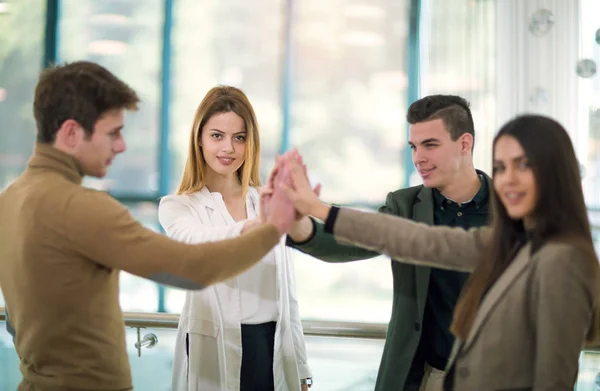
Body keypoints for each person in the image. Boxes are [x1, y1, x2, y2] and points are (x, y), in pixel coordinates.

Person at [0, 61, 296, 391]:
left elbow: (14, 321)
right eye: (113, 132)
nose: (122, 145)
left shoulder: (8, 200)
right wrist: (272, 228)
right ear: (71, 132)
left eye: (238, 137)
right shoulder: (84, 208)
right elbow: (191, 269)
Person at [276, 114, 600, 390]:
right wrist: (316, 209)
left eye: (523, 165)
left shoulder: (564, 258)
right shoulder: (508, 241)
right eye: (501, 167)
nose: (508, 179)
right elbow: (415, 240)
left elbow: (553, 380)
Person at [285, 95, 490, 390]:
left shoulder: (510, 214)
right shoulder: (404, 205)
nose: (418, 157)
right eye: (413, 147)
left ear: (464, 143)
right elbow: (348, 242)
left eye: (430, 145)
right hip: (427, 377)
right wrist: (298, 225)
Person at [158, 86, 312, 391]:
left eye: (239, 138)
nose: (228, 148)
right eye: (217, 136)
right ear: (199, 140)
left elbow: (287, 294)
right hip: (214, 348)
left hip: (270, 347)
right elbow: (196, 241)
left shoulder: (263, 200)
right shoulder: (178, 206)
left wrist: (302, 369)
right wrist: (258, 227)